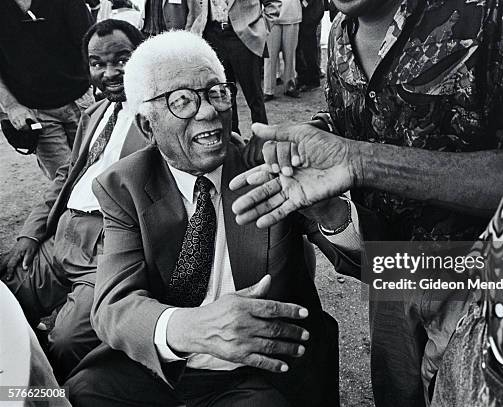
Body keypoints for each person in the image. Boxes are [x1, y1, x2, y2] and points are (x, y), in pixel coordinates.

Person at [230, 1, 503, 405]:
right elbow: (365, 125)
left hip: (486, 280)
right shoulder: (341, 33)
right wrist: (317, 140)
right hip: (393, 276)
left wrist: (359, 161)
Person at [65, 30, 359, 407]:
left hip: (261, 370)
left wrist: (329, 212)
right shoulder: (124, 184)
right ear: (147, 126)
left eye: (216, 92)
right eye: (182, 100)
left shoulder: (268, 168)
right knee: (77, 392)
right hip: (166, 368)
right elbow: (113, 306)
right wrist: (192, 328)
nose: (208, 112)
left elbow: (371, 266)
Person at [0, 19, 146, 383]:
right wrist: (31, 235)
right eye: (97, 63)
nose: (109, 72)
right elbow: (64, 178)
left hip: (108, 246)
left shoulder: (161, 117)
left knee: (66, 341)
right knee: (7, 297)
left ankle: (50, 396)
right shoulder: (94, 114)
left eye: (121, 59)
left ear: (142, 57)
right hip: (62, 232)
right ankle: (22, 383)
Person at [0, 0, 94, 180]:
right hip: (36, 113)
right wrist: (12, 106)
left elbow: (91, 44)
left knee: (97, 168)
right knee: (65, 182)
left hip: (80, 101)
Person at [190, 0, 280, 133]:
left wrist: (262, 28)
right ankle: (232, 138)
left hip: (243, 38)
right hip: (213, 35)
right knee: (225, 94)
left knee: (253, 94)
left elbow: (274, 3)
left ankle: (262, 140)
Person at [263, 0, 302, 101]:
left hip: (292, 14)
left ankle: (290, 85)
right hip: (271, 15)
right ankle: (268, 90)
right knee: (270, 55)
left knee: (290, 55)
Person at [295, 0, 324, 92]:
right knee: (305, 48)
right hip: (308, 14)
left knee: (308, 49)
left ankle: (311, 80)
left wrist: (302, 5)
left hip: (310, 15)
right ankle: (307, 79)